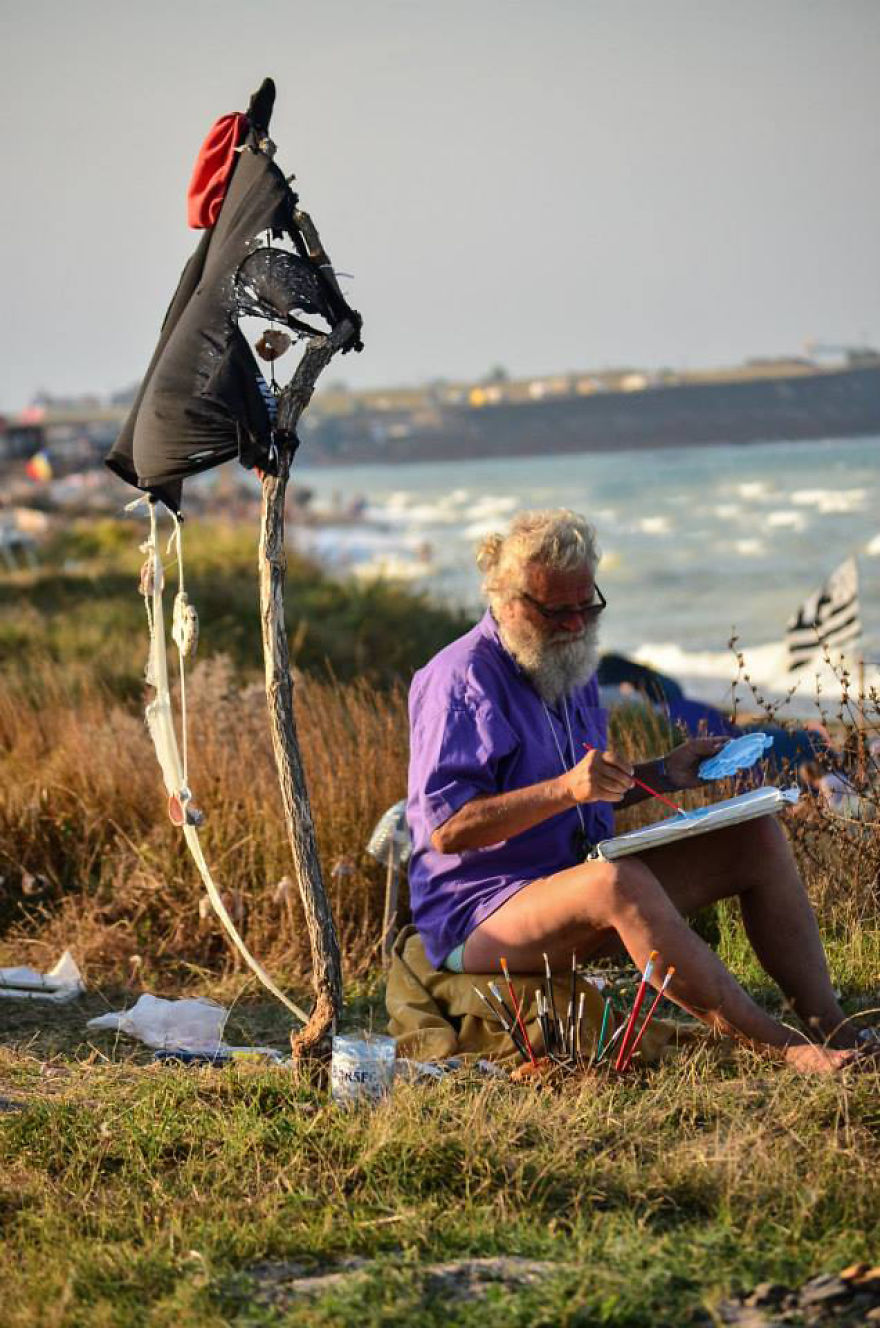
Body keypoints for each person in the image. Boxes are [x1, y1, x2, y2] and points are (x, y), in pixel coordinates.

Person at [406, 509, 870, 1074]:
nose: (577, 626)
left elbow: (580, 799)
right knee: (614, 881)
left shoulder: (567, 665)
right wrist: (564, 789)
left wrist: (662, 773)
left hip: (568, 886)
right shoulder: (459, 680)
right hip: (476, 918)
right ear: (506, 601)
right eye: (558, 612)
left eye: (587, 606)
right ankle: (783, 1048)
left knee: (756, 837)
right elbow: (447, 830)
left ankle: (831, 1021)